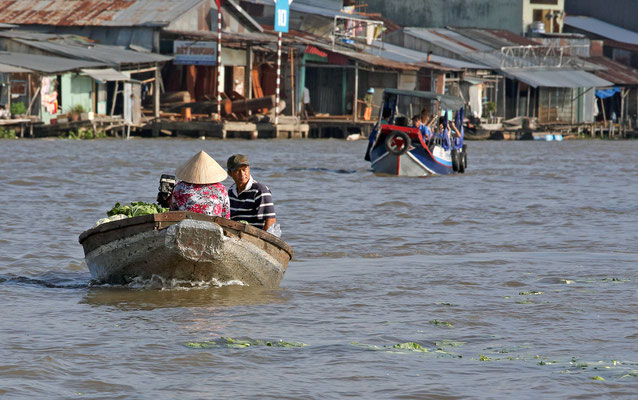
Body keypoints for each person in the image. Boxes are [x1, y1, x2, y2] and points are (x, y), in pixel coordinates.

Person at [170, 150, 230, 218]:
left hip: (185, 225)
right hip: (214, 226)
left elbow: (173, 212)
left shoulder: (179, 187)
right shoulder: (221, 189)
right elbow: (226, 216)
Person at [227, 154, 276, 231]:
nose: (242, 174)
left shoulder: (260, 190)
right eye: (237, 170)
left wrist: (262, 241)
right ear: (230, 173)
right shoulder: (230, 191)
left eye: (244, 169)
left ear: (249, 169)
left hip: (254, 237)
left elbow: (270, 220)